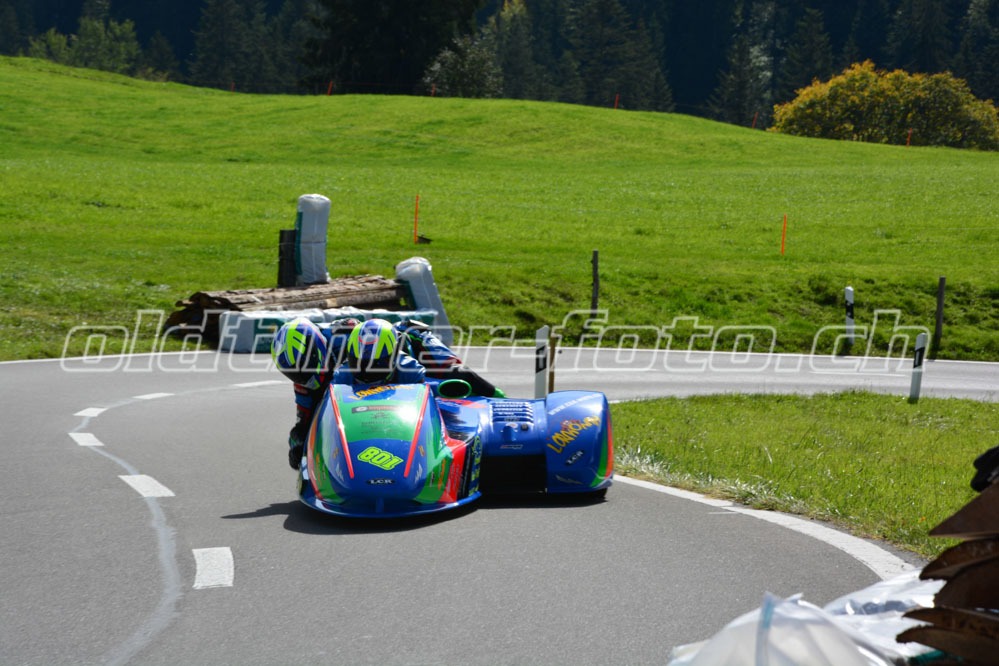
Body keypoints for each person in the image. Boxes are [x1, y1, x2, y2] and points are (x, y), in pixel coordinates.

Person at [271, 316, 502, 469]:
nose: (302, 376)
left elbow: (374, 340)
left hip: (405, 350)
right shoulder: (306, 381)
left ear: (316, 351)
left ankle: (500, 400)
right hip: (361, 379)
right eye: (293, 373)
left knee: (456, 372)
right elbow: (303, 423)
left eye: (304, 368)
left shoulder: (345, 334)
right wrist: (296, 445)